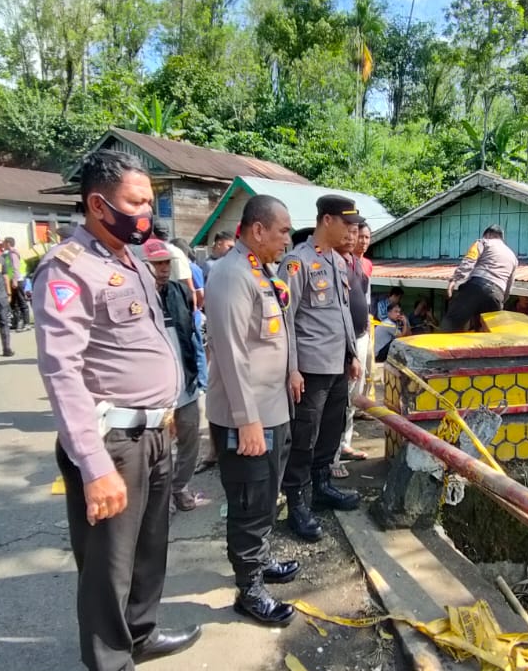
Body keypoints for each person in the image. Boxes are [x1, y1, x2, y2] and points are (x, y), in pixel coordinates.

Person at [33, 149, 198, 671]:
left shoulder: (128, 260)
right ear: (97, 203)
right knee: (108, 569)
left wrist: (166, 418)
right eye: (135, 202)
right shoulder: (67, 268)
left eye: (150, 201)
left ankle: (142, 632)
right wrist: (94, 466)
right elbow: (63, 373)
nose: (146, 211)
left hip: (153, 434)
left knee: (152, 549)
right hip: (112, 444)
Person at [205, 195, 301, 627]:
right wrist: (247, 420)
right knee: (248, 502)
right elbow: (230, 353)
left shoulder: (261, 271)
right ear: (257, 230)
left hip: (272, 408)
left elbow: (274, 337)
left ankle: (260, 561)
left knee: (265, 496)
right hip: (246, 417)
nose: (287, 238)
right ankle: (248, 590)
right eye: (282, 230)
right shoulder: (230, 275)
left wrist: (291, 372)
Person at [280, 195, 363, 540]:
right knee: (304, 437)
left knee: (330, 431)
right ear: (326, 221)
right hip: (310, 369)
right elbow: (286, 320)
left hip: (337, 365)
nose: (353, 232)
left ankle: (322, 487)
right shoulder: (296, 263)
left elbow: (344, 313)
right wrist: (291, 368)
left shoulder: (338, 262)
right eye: (347, 225)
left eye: (356, 226)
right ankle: (297, 501)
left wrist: (353, 354)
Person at [141, 238, 204, 514]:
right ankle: (161, 494)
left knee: (190, 435)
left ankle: (180, 486)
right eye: (156, 264)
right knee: (158, 444)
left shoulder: (181, 291)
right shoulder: (137, 296)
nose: (163, 269)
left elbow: (193, 337)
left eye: (166, 262)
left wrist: (200, 377)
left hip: (185, 382)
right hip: (153, 390)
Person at [334, 219, 371, 477]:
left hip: (361, 335)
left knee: (352, 397)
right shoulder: (336, 262)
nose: (360, 240)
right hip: (344, 342)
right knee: (340, 398)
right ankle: (332, 456)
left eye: (364, 235)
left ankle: (344, 444)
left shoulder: (361, 265)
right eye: (356, 234)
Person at [442, 225, 518, 332]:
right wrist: (500, 302)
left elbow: (469, 261)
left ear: (487, 235)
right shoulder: (513, 257)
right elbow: (509, 286)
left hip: (476, 287)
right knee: (489, 334)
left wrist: (454, 280)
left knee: (451, 324)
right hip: (497, 295)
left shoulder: (483, 242)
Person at [3, 237, 31, 331]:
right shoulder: (8, 254)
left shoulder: (13, 254)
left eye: (4, 243)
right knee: (13, 303)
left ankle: (26, 323)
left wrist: (14, 280)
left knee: (21, 301)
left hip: (18, 281)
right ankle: (16, 321)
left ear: (8, 243)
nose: (3, 244)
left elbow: (16, 268)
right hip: (13, 281)